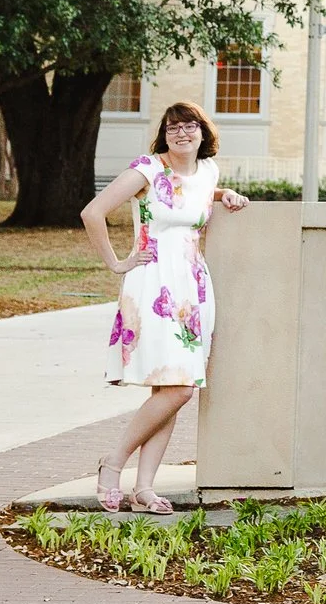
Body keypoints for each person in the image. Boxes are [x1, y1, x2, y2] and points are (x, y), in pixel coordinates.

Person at [80, 101, 249, 512]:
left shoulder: (209, 171)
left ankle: (145, 488)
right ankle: (113, 461)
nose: (182, 133)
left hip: (192, 287)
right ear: (164, 134)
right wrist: (117, 263)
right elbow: (93, 211)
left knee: (170, 385)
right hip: (154, 283)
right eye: (174, 127)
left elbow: (197, 196)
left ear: (203, 133)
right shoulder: (147, 169)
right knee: (179, 388)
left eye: (191, 126)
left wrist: (225, 195)